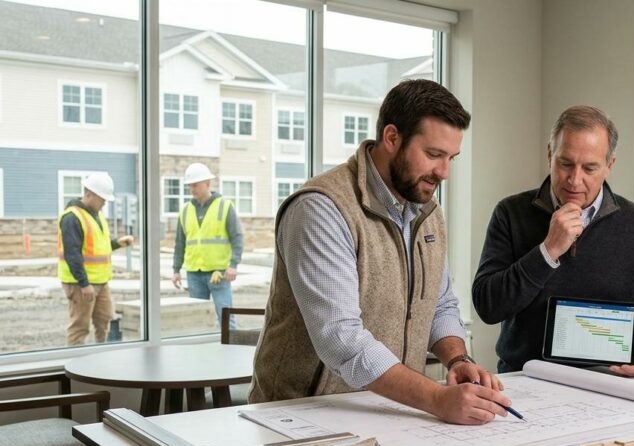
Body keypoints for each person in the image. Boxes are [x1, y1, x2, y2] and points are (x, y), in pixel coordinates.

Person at [250, 79, 511, 426]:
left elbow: (440, 303)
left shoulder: (427, 212)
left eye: (451, 158)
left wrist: (458, 360)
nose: (444, 172)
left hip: (390, 409)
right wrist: (436, 398)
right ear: (392, 138)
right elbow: (341, 340)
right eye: (433, 155)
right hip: (301, 417)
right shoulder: (321, 208)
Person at [473, 105, 634, 376]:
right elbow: (488, 307)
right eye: (565, 164)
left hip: (611, 381)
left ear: (610, 165)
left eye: (590, 168)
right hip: (525, 378)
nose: (575, 180)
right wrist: (548, 250)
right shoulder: (510, 213)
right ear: (550, 153)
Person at [57, 172, 134, 345]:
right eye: (102, 198)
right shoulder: (72, 217)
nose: (105, 203)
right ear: (89, 194)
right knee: (79, 328)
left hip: (100, 282)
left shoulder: (97, 215)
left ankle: (102, 361)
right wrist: (84, 284)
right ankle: (76, 364)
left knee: (105, 321)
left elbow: (98, 246)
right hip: (80, 284)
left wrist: (118, 243)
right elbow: (72, 254)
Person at [171, 163, 243, 329]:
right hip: (194, 274)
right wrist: (176, 270)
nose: (192, 189)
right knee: (197, 322)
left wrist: (233, 265)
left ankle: (229, 353)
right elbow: (180, 243)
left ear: (207, 184)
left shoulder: (225, 206)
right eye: (190, 185)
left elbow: (237, 237)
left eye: (195, 185)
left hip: (219, 274)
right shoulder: (185, 211)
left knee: (226, 321)